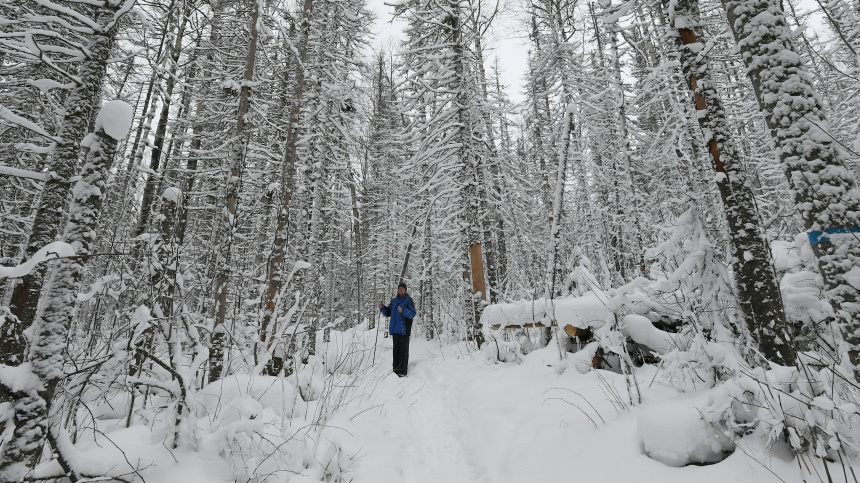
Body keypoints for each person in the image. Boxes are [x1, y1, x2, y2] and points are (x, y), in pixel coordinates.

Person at [379, 282, 416, 377]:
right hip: (395, 331)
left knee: (403, 352)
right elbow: (388, 312)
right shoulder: (394, 301)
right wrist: (382, 308)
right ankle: (395, 372)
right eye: (399, 288)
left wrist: (403, 311)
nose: (400, 290)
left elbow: (412, 313)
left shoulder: (408, 300)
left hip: (404, 331)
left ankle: (403, 372)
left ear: (405, 290)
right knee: (396, 352)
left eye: (402, 288)